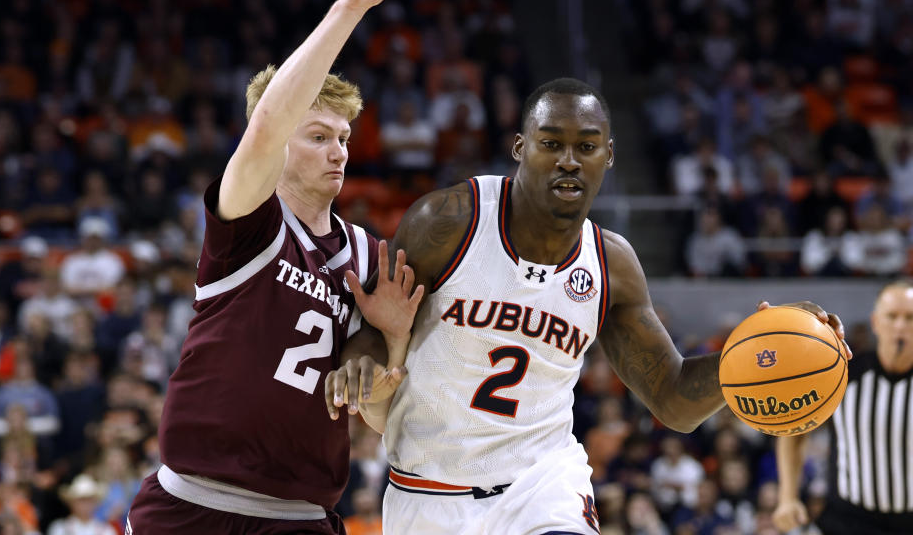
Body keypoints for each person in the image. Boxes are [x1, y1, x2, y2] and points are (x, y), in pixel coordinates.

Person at [326, 77, 849, 534]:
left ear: (610, 155)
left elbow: (671, 399)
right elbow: (379, 323)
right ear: (519, 147)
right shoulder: (450, 221)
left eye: (587, 146)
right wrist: (360, 359)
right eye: (551, 143)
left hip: (543, 483)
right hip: (428, 485)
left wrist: (752, 347)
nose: (569, 160)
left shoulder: (611, 265)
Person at [126, 0, 422, 535]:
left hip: (299, 515)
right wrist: (350, 7)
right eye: (318, 136)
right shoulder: (251, 223)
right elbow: (263, 129)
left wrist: (393, 340)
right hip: (190, 504)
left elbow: (375, 416)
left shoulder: (369, 258)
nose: (338, 152)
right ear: (283, 140)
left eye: (343, 137)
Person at [774, 280, 913, 535]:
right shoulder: (841, 375)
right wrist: (787, 496)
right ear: (875, 322)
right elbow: (796, 429)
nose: (900, 326)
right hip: (848, 520)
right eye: (892, 316)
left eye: (910, 318)